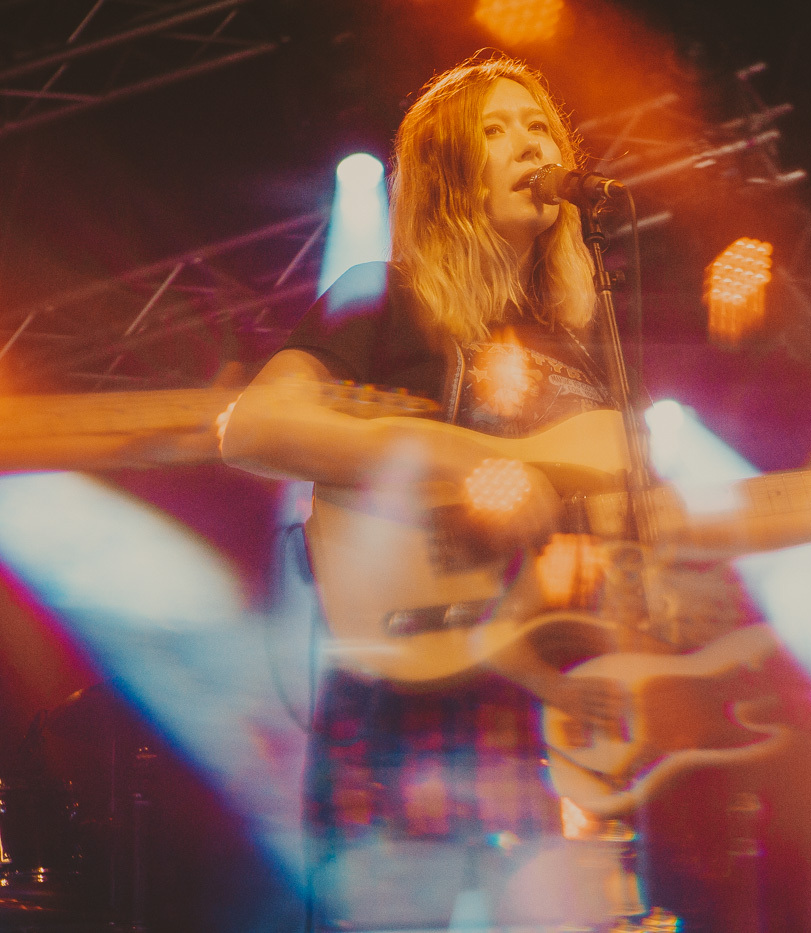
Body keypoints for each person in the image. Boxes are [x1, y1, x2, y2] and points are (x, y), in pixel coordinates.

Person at [220, 54, 630, 930]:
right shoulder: (383, 301)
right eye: (493, 129)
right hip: (396, 708)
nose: (528, 142)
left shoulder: (577, 341)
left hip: (522, 719)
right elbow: (251, 429)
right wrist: (466, 464)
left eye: (537, 126)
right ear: (447, 172)